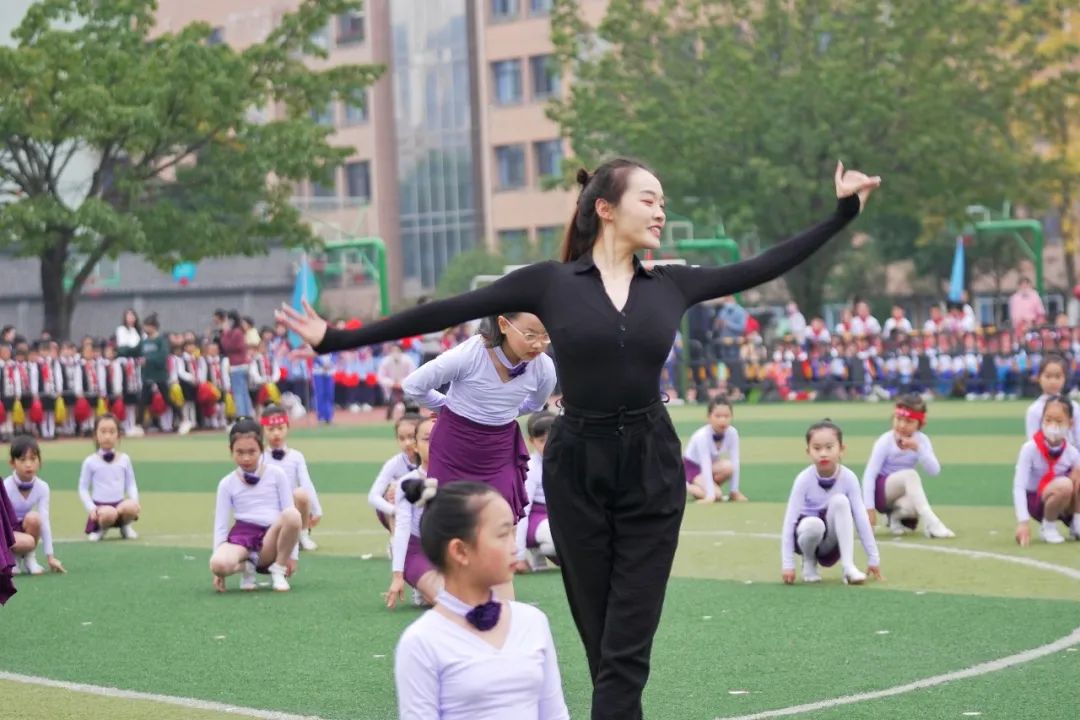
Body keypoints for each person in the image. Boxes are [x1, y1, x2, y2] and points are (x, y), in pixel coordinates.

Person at [279, 158, 879, 719]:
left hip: (651, 467)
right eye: (650, 198)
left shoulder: (671, 283)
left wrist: (842, 213)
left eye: (663, 201)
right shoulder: (550, 284)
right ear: (607, 209)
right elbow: (445, 310)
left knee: (627, 645)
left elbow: (764, 265)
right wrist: (333, 339)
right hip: (577, 471)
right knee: (601, 644)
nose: (661, 211)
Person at [394, 480, 569, 720]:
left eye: (513, 533)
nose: (514, 548)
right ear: (460, 551)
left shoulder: (533, 622)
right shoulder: (422, 641)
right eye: (502, 534)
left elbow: (555, 715)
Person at [782, 420, 881, 585]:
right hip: (806, 536)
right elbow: (790, 521)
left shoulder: (849, 478)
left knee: (841, 501)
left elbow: (861, 517)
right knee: (814, 524)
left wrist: (873, 557)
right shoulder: (803, 479)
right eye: (817, 448)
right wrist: (787, 564)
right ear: (808, 451)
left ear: (842, 449)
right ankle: (809, 562)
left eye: (829, 447)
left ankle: (848, 566)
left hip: (831, 542)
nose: (823, 454)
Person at [210, 417, 300, 592]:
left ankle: (278, 570)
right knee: (217, 564)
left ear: (261, 450)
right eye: (240, 452)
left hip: (271, 538)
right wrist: (218, 572)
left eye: (252, 451)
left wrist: (292, 556)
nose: (246, 458)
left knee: (293, 514)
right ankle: (247, 568)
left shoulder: (276, 474)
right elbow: (220, 526)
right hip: (242, 538)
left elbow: (289, 512)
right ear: (231, 451)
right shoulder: (226, 483)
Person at [861, 394, 954, 538]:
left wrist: (918, 449)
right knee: (911, 474)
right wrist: (869, 510)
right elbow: (869, 475)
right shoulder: (885, 441)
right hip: (882, 491)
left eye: (909, 421)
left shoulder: (921, 441)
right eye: (898, 419)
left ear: (919, 424)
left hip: (902, 491)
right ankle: (932, 523)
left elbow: (934, 471)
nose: (902, 425)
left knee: (916, 502)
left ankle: (894, 519)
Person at [387, 416, 442, 608]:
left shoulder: (459, 478)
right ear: (416, 446)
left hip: (447, 551)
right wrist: (397, 575)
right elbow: (402, 528)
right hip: (417, 550)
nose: (434, 443)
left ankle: (427, 587)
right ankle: (421, 582)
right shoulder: (407, 482)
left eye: (440, 437)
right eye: (427, 439)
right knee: (449, 601)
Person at [1013, 395, 1080, 545]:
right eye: (1048, 420)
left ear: (1070, 423)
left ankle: (1076, 524)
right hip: (1038, 500)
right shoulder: (1030, 449)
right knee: (1064, 485)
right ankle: (1048, 527)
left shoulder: (1072, 452)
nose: (1053, 426)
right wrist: (1023, 522)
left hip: (1064, 501)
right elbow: (1019, 485)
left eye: (1059, 421)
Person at [260, 404, 322, 551]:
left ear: (287, 428)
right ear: (263, 431)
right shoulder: (260, 457)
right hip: (269, 506)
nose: (276, 434)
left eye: (280, 428)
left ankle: (303, 535)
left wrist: (317, 509)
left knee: (300, 493)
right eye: (271, 429)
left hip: (292, 506)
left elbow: (306, 483)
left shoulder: (296, 456)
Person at [4, 436, 65, 575]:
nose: (28, 464)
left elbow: (45, 521)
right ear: (12, 463)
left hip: (25, 531)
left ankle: (30, 559)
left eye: (33, 459)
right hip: (6, 530)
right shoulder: (6, 487)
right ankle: (11, 559)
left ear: (39, 461)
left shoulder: (42, 487)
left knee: (35, 518)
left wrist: (50, 557)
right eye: (22, 459)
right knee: (25, 541)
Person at [78, 415, 141, 541]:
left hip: (120, 505)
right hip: (101, 509)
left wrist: (135, 500)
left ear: (118, 435)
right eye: (103, 431)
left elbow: (131, 484)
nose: (107, 436)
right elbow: (83, 488)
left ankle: (126, 526)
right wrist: (91, 508)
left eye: (112, 432)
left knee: (131, 507)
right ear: (95, 435)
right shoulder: (90, 461)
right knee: (108, 513)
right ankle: (101, 528)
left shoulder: (124, 459)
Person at [515, 411, 559, 570]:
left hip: (560, 516)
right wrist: (518, 555)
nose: (548, 445)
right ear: (531, 441)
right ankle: (539, 550)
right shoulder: (531, 468)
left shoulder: (570, 461)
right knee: (561, 536)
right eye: (542, 441)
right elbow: (523, 510)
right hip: (536, 519)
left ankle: (544, 550)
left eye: (553, 439)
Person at [682, 397, 744, 503]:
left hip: (711, 466)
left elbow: (735, 460)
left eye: (726, 416)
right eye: (718, 416)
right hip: (692, 468)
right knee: (717, 495)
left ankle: (707, 488)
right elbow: (705, 463)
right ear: (709, 417)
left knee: (729, 467)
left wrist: (734, 491)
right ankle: (685, 486)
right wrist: (710, 496)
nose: (722, 420)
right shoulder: (702, 436)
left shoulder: (732, 433)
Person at [368, 415, 420, 534]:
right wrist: (395, 510)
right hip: (400, 511)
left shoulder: (431, 459)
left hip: (424, 509)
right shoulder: (394, 463)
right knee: (392, 493)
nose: (407, 443)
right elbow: (373, 496)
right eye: (401, 438)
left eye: (411, 437)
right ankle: (396, 543)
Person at [1024, 355, 1080, 447]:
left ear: (1064, 378)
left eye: (1058, 377)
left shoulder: (1074, 407)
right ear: (1039, 378)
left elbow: (1078, 438)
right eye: (1048, 376)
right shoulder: (1034, 410)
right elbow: (1032, 443)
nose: (1053, 381)